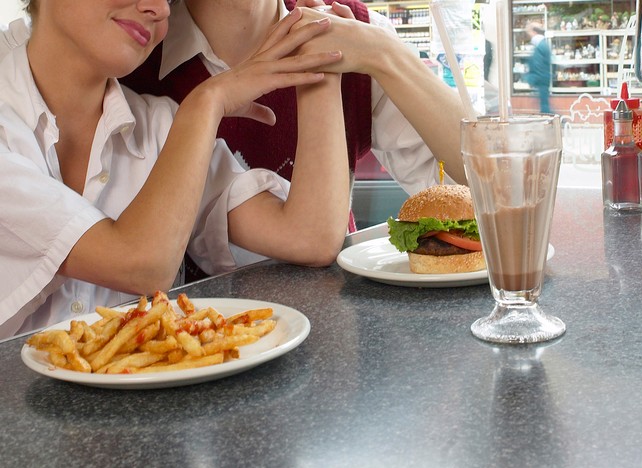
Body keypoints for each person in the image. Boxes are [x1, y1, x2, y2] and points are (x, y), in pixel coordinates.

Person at [0, 0, 353, 338]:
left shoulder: (161, 126)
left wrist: (318, 53)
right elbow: (141, 265)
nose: (160, 8)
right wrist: (207, 100)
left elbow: (310, 237)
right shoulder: (189, 116)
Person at [120, 0, 468, 198]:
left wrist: (385, 53)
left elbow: (487, 189)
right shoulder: (126, 54)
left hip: (333, 317)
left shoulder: (352, 30)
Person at [525, 22, 552, 114]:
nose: (529, 35)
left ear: (534, 32)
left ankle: (559, 121)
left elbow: (538, 65)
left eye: (529, 33)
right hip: (543, 79)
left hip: (541, 80)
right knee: (544, 103)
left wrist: (533, 79)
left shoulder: (540, 46)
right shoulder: (542, 44)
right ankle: (556, 120)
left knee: (545, 106)